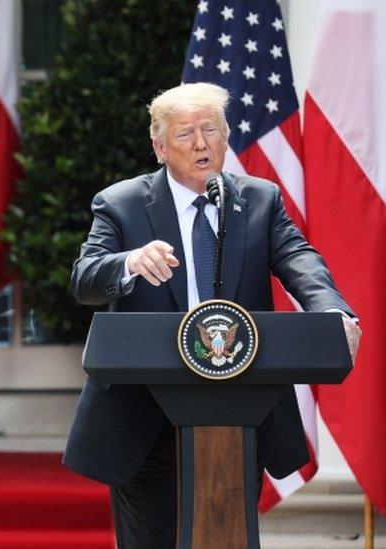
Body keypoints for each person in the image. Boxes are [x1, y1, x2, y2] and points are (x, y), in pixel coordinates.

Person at [62, 82, 361, 548]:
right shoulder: (121, 204)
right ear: (160, 147)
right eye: (185, 134)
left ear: (225, 138)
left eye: (211, 130)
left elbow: (300, 259)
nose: (201, 144)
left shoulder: (259, 200)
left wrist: (332, 312)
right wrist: (128, 262)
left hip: (237, 412)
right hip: (146, 418)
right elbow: (84, 277)